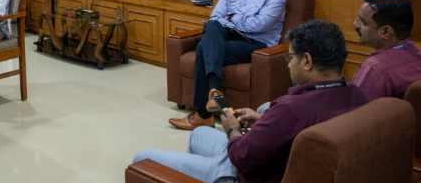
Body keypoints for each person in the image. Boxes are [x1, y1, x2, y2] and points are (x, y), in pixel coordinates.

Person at [135, 20, 368, 183]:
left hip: (245, 174)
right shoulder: (358, 96)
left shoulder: (290, 109)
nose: (288, 64)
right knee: (198, 135)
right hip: (274, 161)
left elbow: (242, 157)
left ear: (307, 61)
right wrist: (264, 119)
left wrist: (232, 129)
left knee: (142, 157)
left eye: (291, 57)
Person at [168, 0, 287, 130]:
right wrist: (231, 21)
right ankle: (214, 92)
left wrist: (231, 18)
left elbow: (259, 25)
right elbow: (215, 18)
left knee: (203, 48)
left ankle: (204, 115)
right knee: (212, 27)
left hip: (256, 45)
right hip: (227, 36)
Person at [351, 0, 420, 99]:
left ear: (386, 32)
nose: (355, 24)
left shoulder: (375, 69)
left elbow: (354, 112)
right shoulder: (418, 54)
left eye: (363, 22)